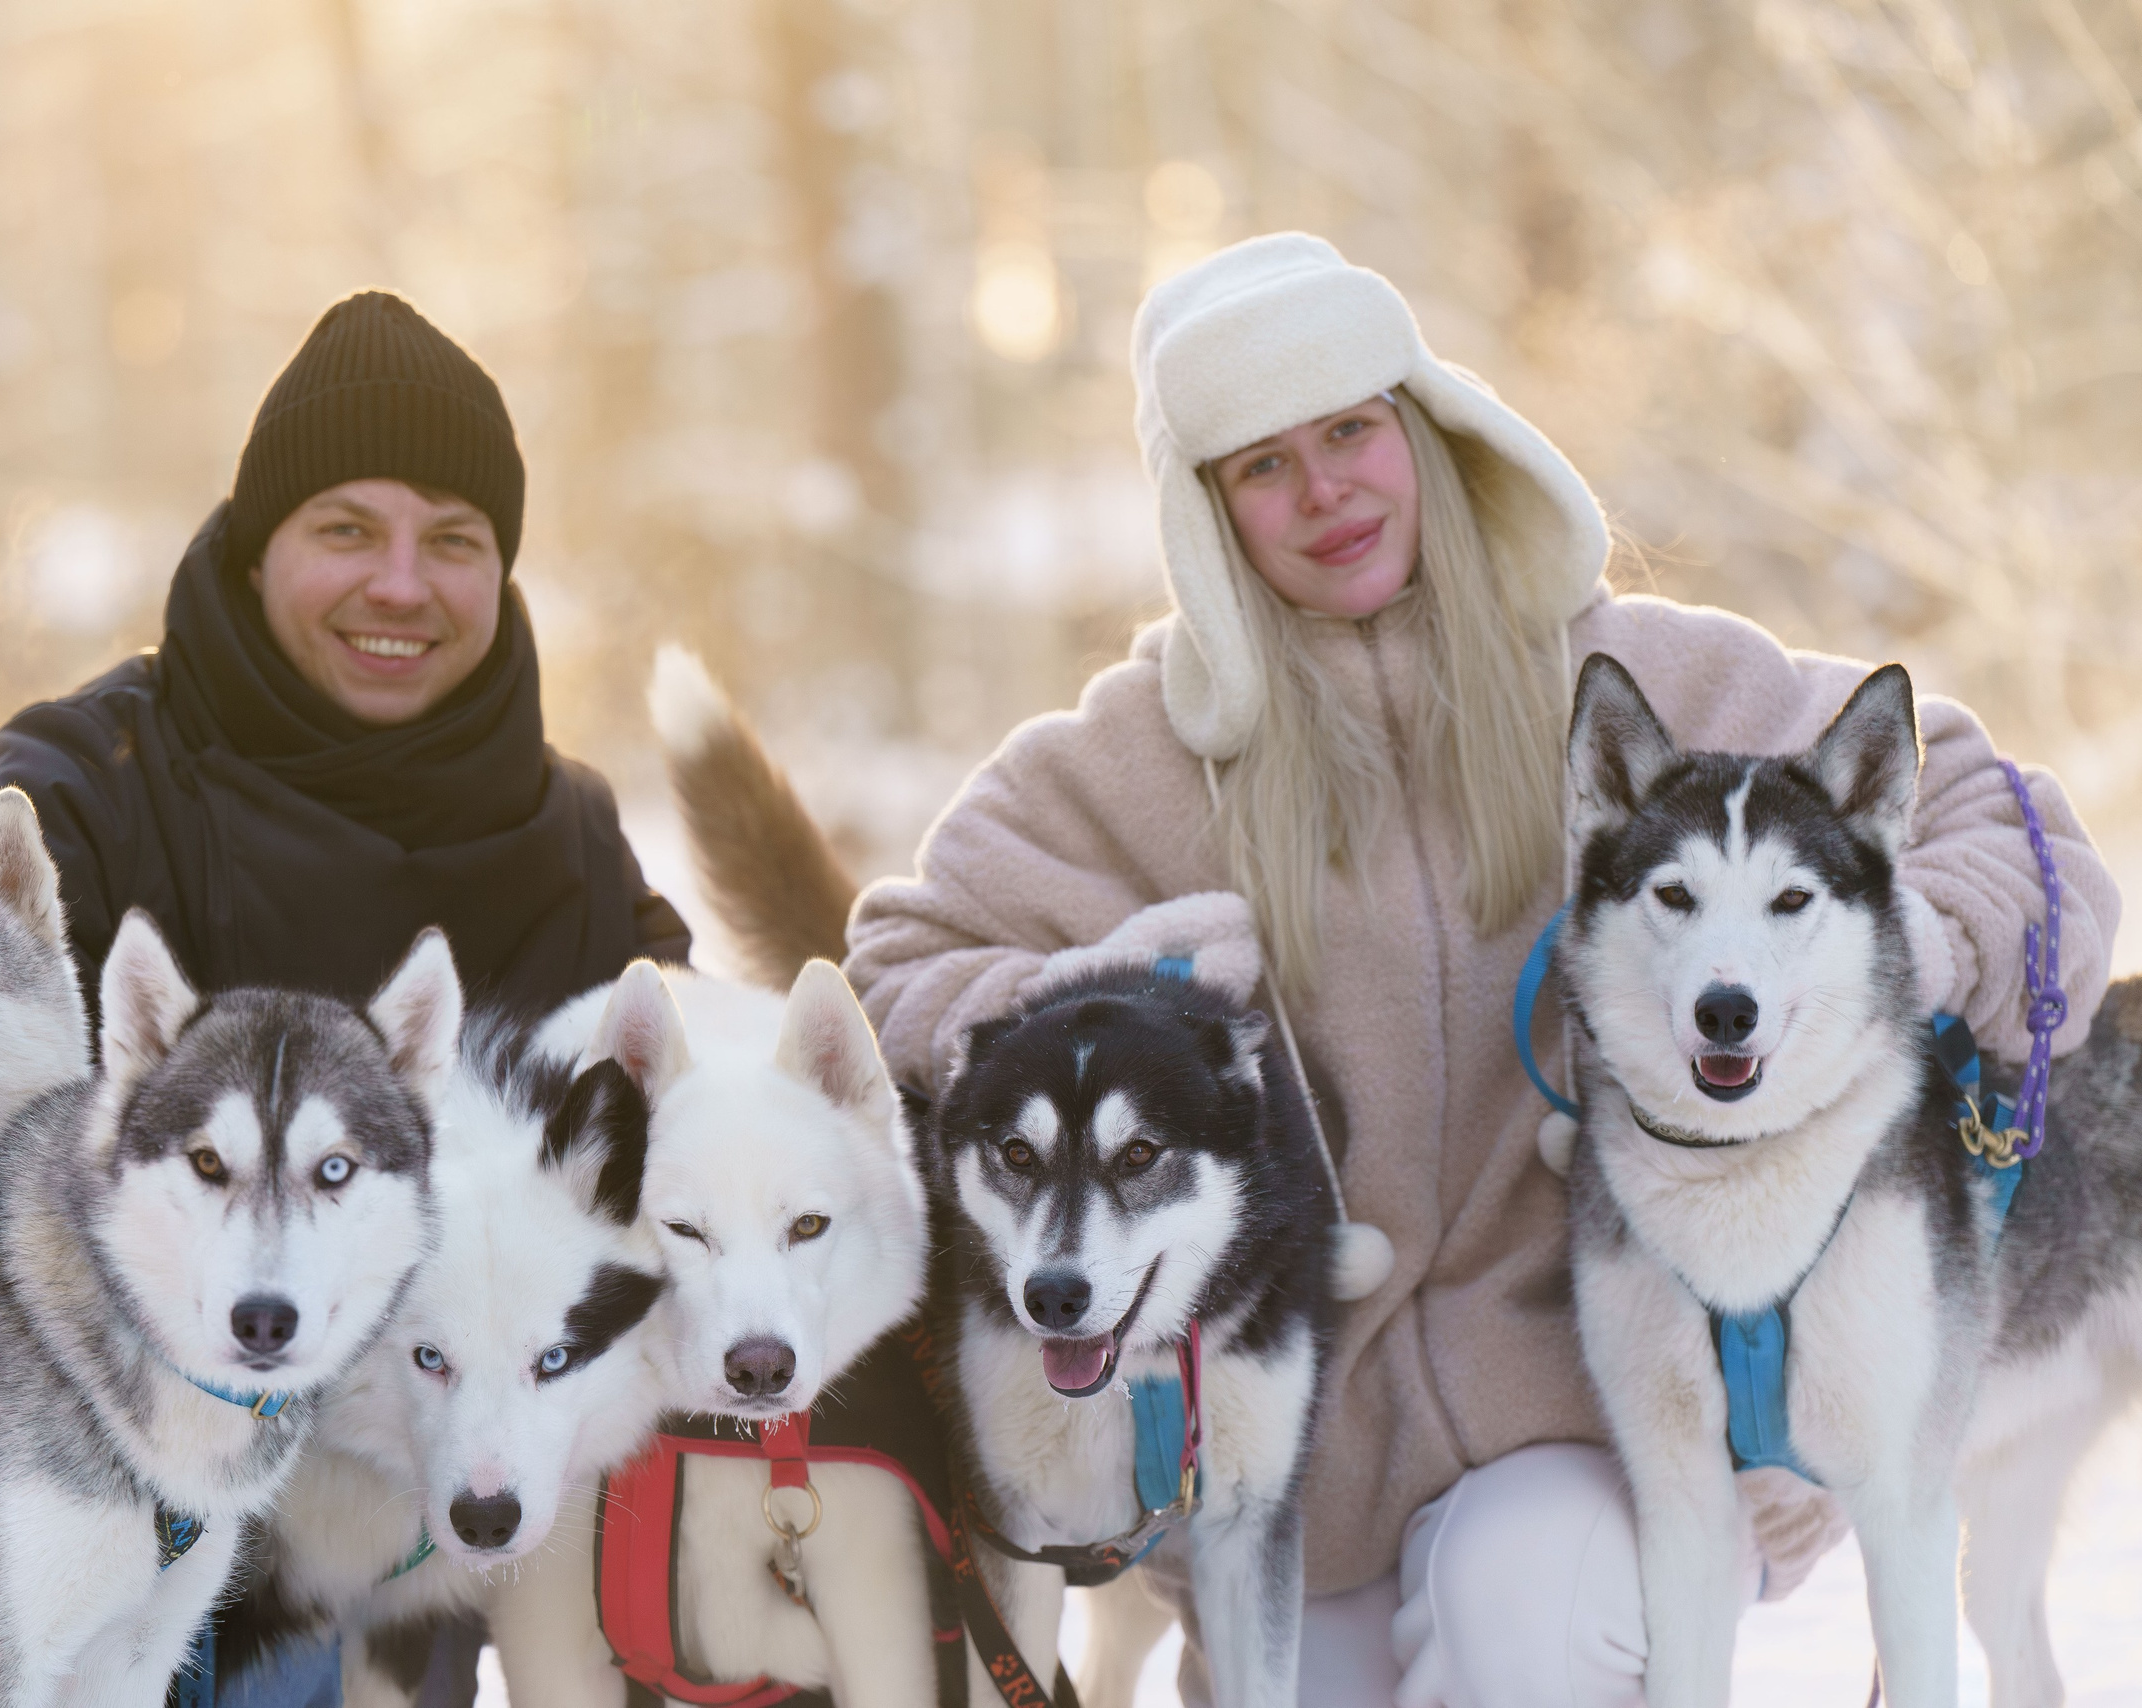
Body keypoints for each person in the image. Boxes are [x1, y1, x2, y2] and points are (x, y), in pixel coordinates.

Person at [841, 234, 2121, 1706]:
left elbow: (2000, 815)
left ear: (1427, 432)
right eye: (1261, 466)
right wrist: (1123, 989)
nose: (1324, 491)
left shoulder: (1631, 682)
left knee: (1532, 1620)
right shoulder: (1133, 759)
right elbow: (902, 972)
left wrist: (1912, 942)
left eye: (1349, 431)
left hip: (1589, 1426)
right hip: (1291, 1462)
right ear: (1206, 519)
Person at [0, 289, 687, 1704]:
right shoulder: (87, 786)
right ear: (256, 544)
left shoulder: (570, 835)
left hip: (487, 1485)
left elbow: (694, 1134)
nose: (399, 585)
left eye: (452, 541)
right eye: (347, 530)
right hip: (148, 1508)